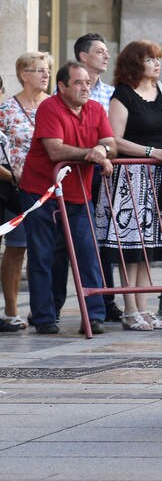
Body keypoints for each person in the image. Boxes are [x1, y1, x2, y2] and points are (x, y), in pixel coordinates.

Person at [94, 40, 162, 331]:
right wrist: (150, 152)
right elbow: (114, 139)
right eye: (150, 58)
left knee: (150, 246)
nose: (157, 63)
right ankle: (130, 308)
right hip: (131, 177)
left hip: (159, 177)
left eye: (158, 58)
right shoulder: (123, 95)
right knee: (130, 246)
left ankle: (143, 306)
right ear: (134, 63)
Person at [19, 62, 117, 335]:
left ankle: (94, 314)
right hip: (41, 192)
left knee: (87, 252)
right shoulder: (50, 107)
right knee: (44, 255)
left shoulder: (96, 109)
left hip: (78, 194)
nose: (86, 87)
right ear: (61, 87)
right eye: (78, 82)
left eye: (88, 82)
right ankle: (44, 316)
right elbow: (55, 150)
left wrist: (101, 148)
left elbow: (112, 143)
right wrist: (92, 153)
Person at [0, 52, 52, 331]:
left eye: (48, 70)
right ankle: (11, 310)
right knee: (18, 247)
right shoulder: (6, 110)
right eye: (39, 70)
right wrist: (13, 175)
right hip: (16, 187)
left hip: (52, 185)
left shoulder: (55, 105)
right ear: (23, 74)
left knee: (51, 249)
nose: (45, 75)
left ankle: (46, 308)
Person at [75, 32, 123, 321]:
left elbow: (111, 136)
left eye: (107, 51)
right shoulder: (67, 91)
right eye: (99, 51)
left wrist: (103, 152)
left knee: (102, 237)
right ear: (83, 56)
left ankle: (106, 301)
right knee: (76, 240)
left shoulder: (111, 93)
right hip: (77, 170)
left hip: (104, 169)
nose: (106, 56)